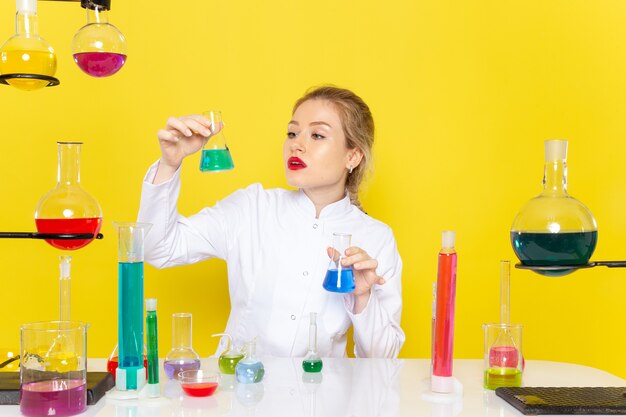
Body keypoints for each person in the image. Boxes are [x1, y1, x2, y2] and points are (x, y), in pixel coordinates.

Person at [137, 86, 405, 358]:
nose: (296, 144)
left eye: (317, 135)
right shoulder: (251, 207)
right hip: (239, 391)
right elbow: (158, 249)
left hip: (320, 394)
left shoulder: (376, 238)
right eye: (292, 132)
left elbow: (382, 360)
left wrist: (363, 298)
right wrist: (169, 164)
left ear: (353, 156)